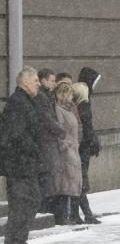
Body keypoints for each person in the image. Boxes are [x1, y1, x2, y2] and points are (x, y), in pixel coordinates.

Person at [0, 67, 43, 244]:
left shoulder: (26, 101)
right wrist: (32, 149)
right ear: (24, 82)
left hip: (24, 162)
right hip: (19, 163)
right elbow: (15, 134)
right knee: (23, 202)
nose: (38, 83)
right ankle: (14, 243)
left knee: (30, 200)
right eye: (35, 80)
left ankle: (17, 242)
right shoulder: (18, 103)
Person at [33, 68, 65, 214]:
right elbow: (46, 118)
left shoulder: (47, 95)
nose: (54, 83)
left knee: (47, 177)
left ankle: (45, 208)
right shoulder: (41, 96)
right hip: (45, 142)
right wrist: (60, 130)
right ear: (43, 80)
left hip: (47, 142)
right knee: (45, 177)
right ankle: (43, 209)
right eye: (52, 80)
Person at [51, 81, 83, 225]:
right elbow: (59, 129)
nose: (72, 97)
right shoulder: (59, 109)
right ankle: (63, 216)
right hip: (66, 151)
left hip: (74, 149)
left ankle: (72, 215)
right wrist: (65, 145)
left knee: (74, 182)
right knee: (66, 183)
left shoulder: (70, 109)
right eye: (70, 94)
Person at [75, 67, 102, 224]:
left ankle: (86, 213)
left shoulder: (83, 100)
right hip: (82, 148)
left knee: (80, 181)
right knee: (81, 181)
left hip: (83, 147)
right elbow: (86, 125)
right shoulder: (83, 102)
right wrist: (91, 141)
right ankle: (86, 213)